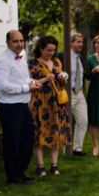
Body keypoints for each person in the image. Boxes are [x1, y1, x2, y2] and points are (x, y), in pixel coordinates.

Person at [0, 30, 40, 184]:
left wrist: (33, 83)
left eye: (21, 40)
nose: (19, 44)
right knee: (12, 142)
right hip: (9, 107)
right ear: (8, 42)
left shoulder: (22, 56)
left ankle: (20, 171)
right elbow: (2, 86)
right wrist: (26, 88)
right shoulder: (2, 60)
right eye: (15, 41)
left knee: (27, 140)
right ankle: (13, 176)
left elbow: (25, 78)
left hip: (22, 105)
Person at [28, 36, 71, 176]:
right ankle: (40, 166)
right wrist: (46, 79)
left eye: (53, 50)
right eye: (48, 50)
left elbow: (62, 83)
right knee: (39, 133)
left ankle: (54, 165)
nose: (51, 53)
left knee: (55, 132)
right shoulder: (32, 63)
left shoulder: (57, 61)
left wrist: (62, 79)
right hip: (40, 103)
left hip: (56, 103)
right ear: (41, 49)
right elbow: (30, 83)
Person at [57, 32, 88, 156]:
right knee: (66, 121)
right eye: (78, 42)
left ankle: (77, 149)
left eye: (82, 42)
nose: (81, 44)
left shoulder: (80, 57)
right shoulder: (62, 56)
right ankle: (66, 148)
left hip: (79, 93)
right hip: (67, 92)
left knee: (83, 121)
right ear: (71, 43)